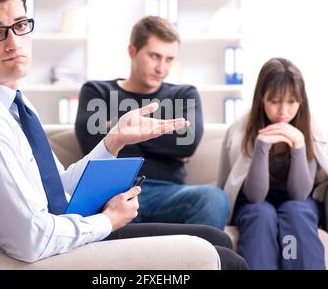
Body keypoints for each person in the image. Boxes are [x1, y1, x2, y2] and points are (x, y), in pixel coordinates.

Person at [0, 0, 248, 269]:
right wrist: (107, 221)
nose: (14, 42)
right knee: (226, 259)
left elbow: (56, 189)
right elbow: (31, 239)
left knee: (217, 239)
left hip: (65, 228)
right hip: (49, 249)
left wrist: (114, 139)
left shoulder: (11, 102)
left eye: (20, 26)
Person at [75, 16, 229, 231]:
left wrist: (120, 130)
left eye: (169, 59)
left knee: (213, 198)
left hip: (167, 194)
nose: (162, 68)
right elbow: (91, 142)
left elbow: (187, 143)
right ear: (132, 51)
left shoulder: (183, 94)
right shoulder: (97, 91)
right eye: (154, 56)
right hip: (113, 193)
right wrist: (166, 135)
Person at [217, 57, 328, 269]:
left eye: (291, 102)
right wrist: (261, 146)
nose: (283, 111)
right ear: (261, 100)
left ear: (301, 101)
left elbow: (299, 194)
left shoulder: (312, 128)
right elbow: (255, 196)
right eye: (274, 101)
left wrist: (299, 146)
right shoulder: (241, 130)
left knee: (297, 211)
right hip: (253, 201)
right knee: (260, 213)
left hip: (299, 200)